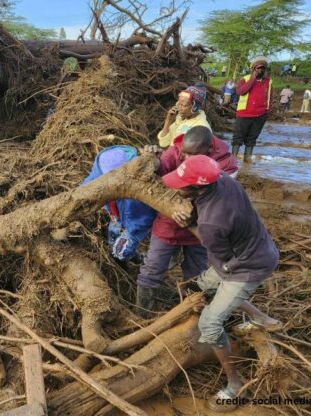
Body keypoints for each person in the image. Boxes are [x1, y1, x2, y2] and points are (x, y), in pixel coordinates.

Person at [164, 154, 282, 412]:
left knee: (209, 321)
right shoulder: (225, 180)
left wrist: (189, 223)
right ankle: (264, 319)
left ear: (197, 187)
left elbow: (218, 254)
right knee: (203, 287)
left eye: (181, 184)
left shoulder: (211, 223)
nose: (176, 186)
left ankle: (234, 385)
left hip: (247, 266)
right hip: (259, 247)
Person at [137, 126, 238, 317]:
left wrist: (192, 214)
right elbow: (159, 175)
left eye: (190, 154)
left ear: (208, 150)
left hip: (202, 228)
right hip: (168, 222)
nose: (183, 157)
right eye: (183, 152)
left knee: (196, 275)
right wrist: (151, 159)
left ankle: (190, 315)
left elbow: (222, 201)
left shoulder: (226, 164)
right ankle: (141, 315)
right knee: (152, 269)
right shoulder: (176, 150)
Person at [82, 146, 157, 262]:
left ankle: (137, 259)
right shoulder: (101, 169)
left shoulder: (134, 196)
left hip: (134, 222)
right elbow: (87, 186)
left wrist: (130, 232)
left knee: (120, 252)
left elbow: (141, 220)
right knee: (112, 237)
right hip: (116, 216)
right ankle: (119, 253)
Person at [232, 56, 272, 163]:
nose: (260, 70)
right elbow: (240, 92)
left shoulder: (268, 81)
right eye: (258, 68)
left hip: (260, 115)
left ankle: (247, 158)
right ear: (253, 69)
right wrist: (252, 79)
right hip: (244, 113)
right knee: (238, 137)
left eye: (263, 68)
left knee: (252, 138)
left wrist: (267, 111)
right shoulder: (245, 79)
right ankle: (233, 158)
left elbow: (269, 96)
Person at [157, 84, 212, 148]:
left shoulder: (201, 128)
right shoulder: (180, 119)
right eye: (179, 104)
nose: (179, 108)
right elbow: (163, 143)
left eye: (183, 105)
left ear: (195, 107)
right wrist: (168, 121)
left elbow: (192, 154)